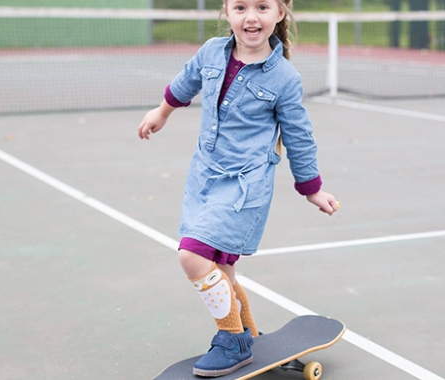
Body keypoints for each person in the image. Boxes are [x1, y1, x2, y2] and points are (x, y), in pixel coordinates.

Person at [137, 0, 339, 376]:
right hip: (204, 179)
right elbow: (186, 82)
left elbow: (299, 136)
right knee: (221, 268)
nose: (251, 17)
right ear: (226, 11)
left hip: (246, 187)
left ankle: (232, 340)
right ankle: (248, 333)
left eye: (262, 7)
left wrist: (311, 188)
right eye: (240, 6)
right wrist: (161, 112)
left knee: (192, 254)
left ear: (280, 13)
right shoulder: (212, 51)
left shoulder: (284, 78)